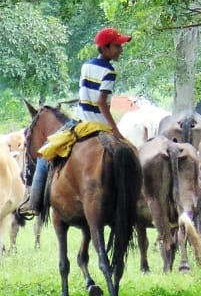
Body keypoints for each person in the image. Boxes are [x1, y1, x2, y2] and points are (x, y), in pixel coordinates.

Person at [18, 26, 132, 217]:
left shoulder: (86, 66)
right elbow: (102, 102)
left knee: (46, 151)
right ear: (104, 48)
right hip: (100, 124)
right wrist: (115, 129)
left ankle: (34, 201)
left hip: (79, 122)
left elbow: (86, 95)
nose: (120, 50)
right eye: (117, 46)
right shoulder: (110, 71)